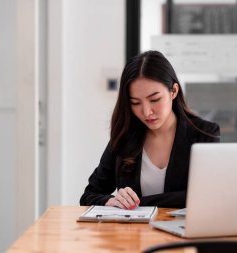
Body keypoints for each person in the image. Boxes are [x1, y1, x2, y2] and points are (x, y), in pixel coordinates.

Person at [80, 50, 220, 209]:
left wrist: (138, 203)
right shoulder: (125, 136)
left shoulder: (204, 134)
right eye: (135, 103)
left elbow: (205, 196)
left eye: (154, 99)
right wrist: (111, 201)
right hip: (134, 233)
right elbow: (89, 195)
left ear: (173, 91)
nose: (146, 112)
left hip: (182, 231)